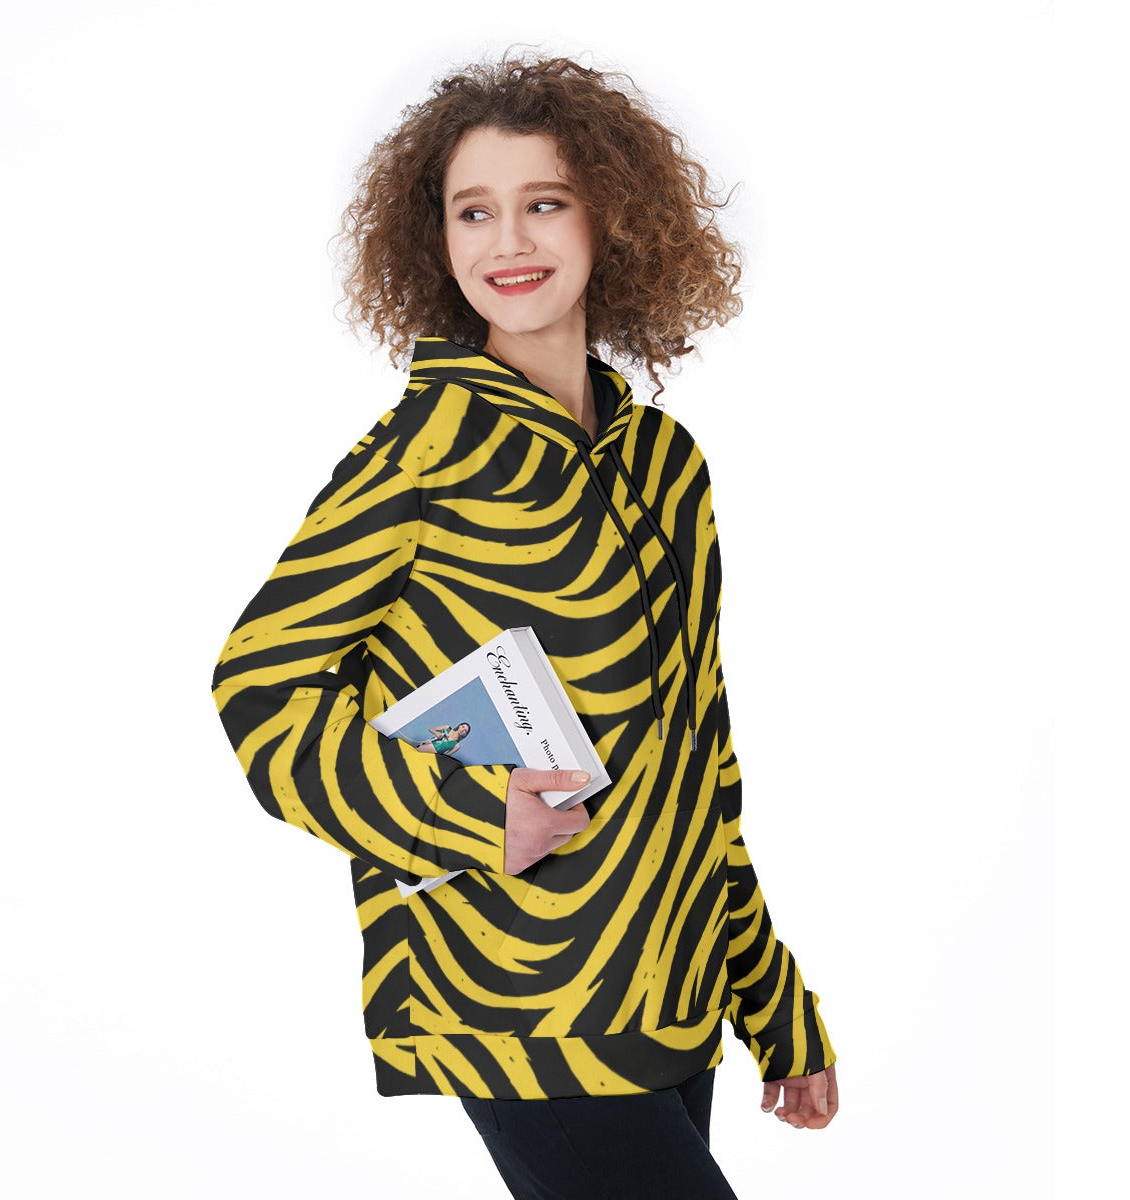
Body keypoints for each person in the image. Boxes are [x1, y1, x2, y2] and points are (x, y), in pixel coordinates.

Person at [211, 52, 838, 1199]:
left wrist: (771, 1000)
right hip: (514, 1001)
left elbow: (701, 761)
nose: (508, 240)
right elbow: (260, 693)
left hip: (673, 995)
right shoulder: (422, 453)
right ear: (436, 240)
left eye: (544, 202)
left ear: (611, 216)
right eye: (474, 211)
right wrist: (467, 812)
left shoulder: (667, 467)